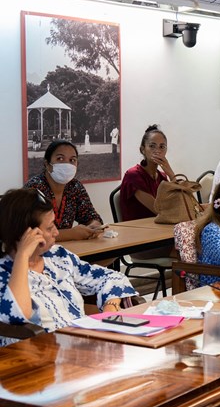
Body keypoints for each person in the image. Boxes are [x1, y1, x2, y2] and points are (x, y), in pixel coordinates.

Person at [0, 188, 137, 347]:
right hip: (37, 354)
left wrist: (110, 307)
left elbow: (112, 277)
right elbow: (15, 315)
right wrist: (23, 256)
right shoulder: (4, 271)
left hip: (79, 346)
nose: (57, 233)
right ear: (25, 234)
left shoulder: (57, 256)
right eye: (50, 228)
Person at [24, 140, 103, 241]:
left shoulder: (75, 186)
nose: (67, 164)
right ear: (47, 164)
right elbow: (27, 233)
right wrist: (70, 234)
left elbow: (91, 216)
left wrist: (94, 226)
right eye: (60, 158)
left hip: (67, 249)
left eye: (72, 160)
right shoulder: (34, 188)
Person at [120, 124, 176, 221]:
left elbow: (179, 203)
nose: (157, 151)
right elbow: (159, 210)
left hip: (160, 226)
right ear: (143, 150)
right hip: (138, 228)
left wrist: (171, 174)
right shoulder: (133, 175)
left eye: (162, 146)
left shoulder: (162, 177)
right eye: (152, 146)